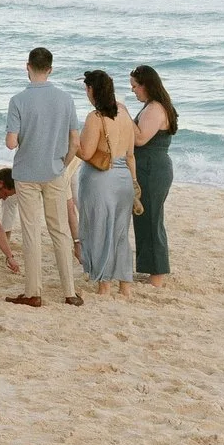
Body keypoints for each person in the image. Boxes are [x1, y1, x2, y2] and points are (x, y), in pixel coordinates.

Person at [4, 47, 83, 307]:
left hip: (27, 173)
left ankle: (33, 292)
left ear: (27, 66)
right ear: (50, 69)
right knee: (59, 229)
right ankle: (69, 292)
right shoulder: (66, 99)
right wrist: (64, 162)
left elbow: (11, 143)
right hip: (55, 171)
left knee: (30, 230)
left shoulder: (18, 100)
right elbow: (74, 140)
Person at [75, 69, 139, 298]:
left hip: (100, 179)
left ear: (91, 90)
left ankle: (104, 284)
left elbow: (86, 152)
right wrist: (134, 183)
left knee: (99, 230)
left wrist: (72, 139)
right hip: (124, 179)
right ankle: (126, 285)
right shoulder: (123, 113)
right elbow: (131, 154)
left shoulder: (96, 117)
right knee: (120, 233)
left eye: (86, 89)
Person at [130, 66, 179, 285]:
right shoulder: (152, 106)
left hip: (152, 168)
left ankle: (157, 275)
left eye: (134, 86)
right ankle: (150, 269)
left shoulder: (155, 109)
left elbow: (140, 139)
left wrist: (122, 116)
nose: (133, 91)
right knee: (145, 219)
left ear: (146, 85)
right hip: (149, 167)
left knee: (151, 220)